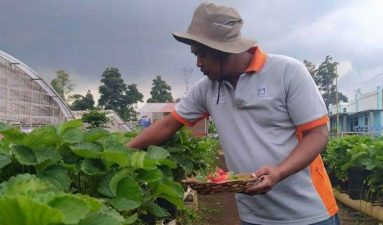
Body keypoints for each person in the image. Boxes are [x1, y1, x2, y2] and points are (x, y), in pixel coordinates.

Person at [127, 2, 339, 225]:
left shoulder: (287, 72)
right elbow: (168, 125)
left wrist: (279, 172)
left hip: (308, 213)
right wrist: (123, 150)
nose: (198, 63)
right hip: (253, 216)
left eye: (202, 55)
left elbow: (317, 135)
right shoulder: (207, 88)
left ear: (223, 50)